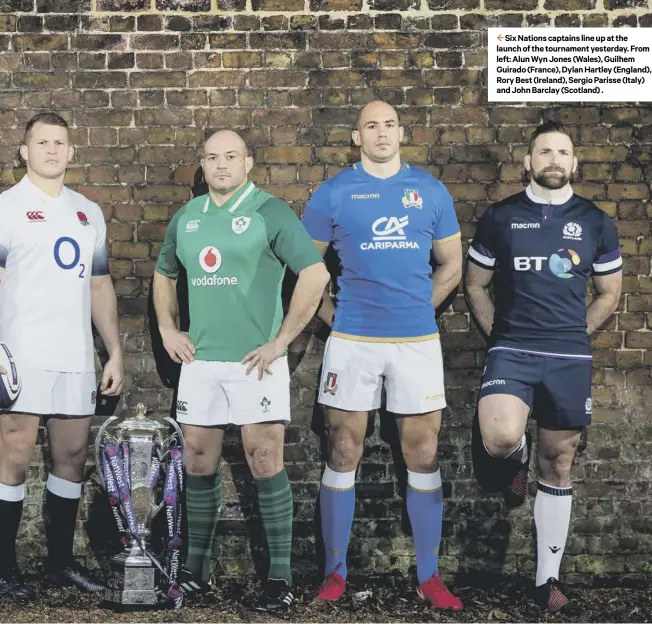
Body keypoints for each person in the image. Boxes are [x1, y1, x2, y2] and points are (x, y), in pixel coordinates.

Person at [153, 130, 329, 613]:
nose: (221, 165)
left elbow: (315, 274)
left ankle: (280, 578)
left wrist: (282, 341)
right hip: (201, 361)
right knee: (197, 460)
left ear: (247, 162)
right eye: (212, 157)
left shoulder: (269, 211)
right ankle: (195, 571)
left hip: (257, 362)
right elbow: (165, 272)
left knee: (265, 458)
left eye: (231, 156)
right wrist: (168, 328)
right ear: (203, 165)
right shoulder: (187, 218)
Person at [302, 100, 464, 610]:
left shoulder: (430, 191)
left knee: (423, 451)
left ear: (401, 131)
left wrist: (418, 307)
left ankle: (429, 577)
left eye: (389, 124)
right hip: (352, 341)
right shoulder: (332, 192)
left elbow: (453, 264)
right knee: (343, 447)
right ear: (357, 137)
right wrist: (333, 318)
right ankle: (334, 574)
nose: (381, 132)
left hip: (415, 341)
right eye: (370, 125)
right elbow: (306, 271)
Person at [464, 121, 622, 613]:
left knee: (559, 463)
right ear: (527, 162)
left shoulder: (596, 221)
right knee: (501, 437)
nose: (554, 159)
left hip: (568, 356)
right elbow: (474, 286)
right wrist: (500, 339)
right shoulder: (500, 217)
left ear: (575, 164)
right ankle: (515, 456)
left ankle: (545, 580)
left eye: (563, 152)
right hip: (512, 349)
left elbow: (609, 293)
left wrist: (577, 336)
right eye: (544, 151)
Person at [0, 113, 124, 598]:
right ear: (24, 152)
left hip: (74, 354)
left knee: (70, 458)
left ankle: (58, 565)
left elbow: (98, 285)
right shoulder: (6, 208)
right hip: (20, 353)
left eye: (60, 142)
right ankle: (5, 569)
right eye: (42, 142)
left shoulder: (87, 211)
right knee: (12, 458)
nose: (52, 150)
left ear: (72, 152)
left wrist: (112, 351)